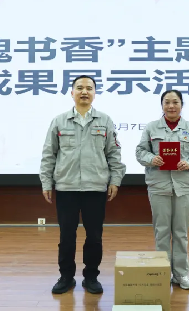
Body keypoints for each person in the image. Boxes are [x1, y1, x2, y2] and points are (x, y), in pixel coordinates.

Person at [40, 75, 126, 295]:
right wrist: (46, 182)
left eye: (89, 88)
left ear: (95, 93)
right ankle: (66, 277)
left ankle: (91, 277)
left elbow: (114, 154)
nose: (84, 92)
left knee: (94, 237)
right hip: (66, 187)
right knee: (66, 236)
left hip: (95, 188)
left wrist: (115, 180)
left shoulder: (105, 121)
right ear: (72, 93)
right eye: (79, 88)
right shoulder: (59, 121)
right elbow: (49, 155)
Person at [135, 89, 189, 290]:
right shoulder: (151, 128)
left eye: (175, 102)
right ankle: (163, 273)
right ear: (162, 105)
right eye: (167, 102)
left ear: (182, 104)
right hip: (159, 185)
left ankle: (181, 274)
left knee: (181, 232)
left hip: (184, 186)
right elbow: (140, 151)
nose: (171, 106)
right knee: (162, 231)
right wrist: (152, 159)